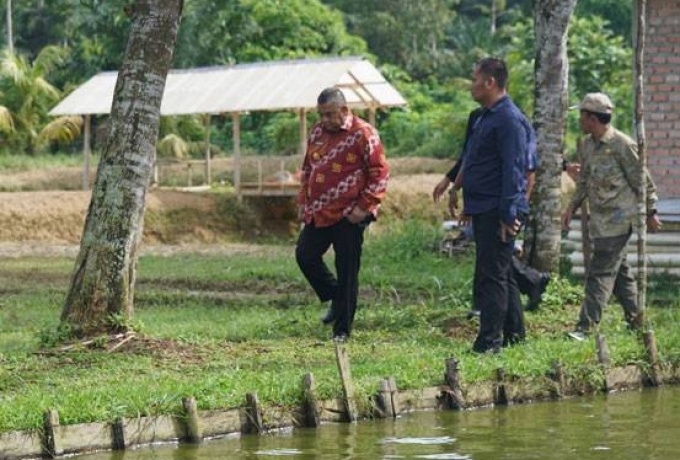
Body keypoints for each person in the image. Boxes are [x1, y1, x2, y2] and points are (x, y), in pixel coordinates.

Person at [561, 93, 661, 341]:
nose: (579, 120)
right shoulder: (585, 145)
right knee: (621, 275)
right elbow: (583, 180)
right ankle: (637, 322)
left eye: (582, 116)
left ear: (593, 118)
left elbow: (642, 180)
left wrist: (651, 211)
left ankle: (585, 328)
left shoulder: (622, 144)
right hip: (600, 220)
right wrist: (571, 207)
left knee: (600, 273)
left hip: (620, 219)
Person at [434, 103, 549, 315]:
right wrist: (454, 186)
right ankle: (513, 323)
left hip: (501, 206)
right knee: (494, 263)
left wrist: (517, 209)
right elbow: (469, 159)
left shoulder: (512, 122)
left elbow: (524, 171)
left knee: (495, 265)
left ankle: (491, 327)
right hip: (484, 204)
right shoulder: (479, 118)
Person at [295, 87, 390, 343]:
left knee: (347, 269)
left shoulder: (363, 133)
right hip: (320, 211)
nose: (324, 120)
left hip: (350, 214)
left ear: (344, 110)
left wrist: (364, 207)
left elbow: (380, 173)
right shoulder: (317, 132)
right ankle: (337, 297)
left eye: (329, 115)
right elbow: (308, 168)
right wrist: (304, 200)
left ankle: (342, 329)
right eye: (321, 115)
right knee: (305, 255)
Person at [451, 57, 529, 353]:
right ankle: (514, 334)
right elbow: (475, 162)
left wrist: (509, 214)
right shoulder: (486, 117)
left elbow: (514, 169)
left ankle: (490, 341)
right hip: (483, 206)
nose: (471, 85)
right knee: (500, 271)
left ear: (490, 82)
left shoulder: (509, 119)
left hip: (499, 210)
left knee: (491, 276)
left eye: (474, 79)